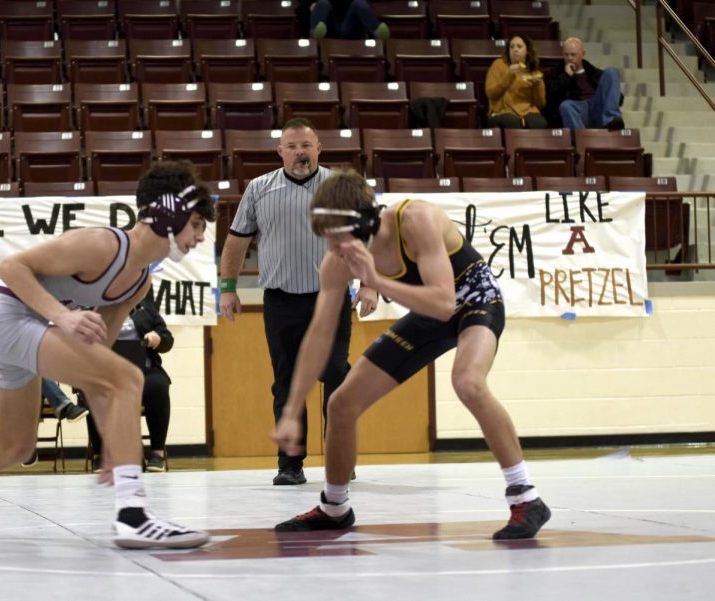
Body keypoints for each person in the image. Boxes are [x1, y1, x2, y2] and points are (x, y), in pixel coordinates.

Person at [0, 161, 216, 549]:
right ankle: (133, 515)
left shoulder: (138, 282)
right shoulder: (102, 244)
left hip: (20, 331)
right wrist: (61, 316)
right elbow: (12, 266)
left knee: (15, 447)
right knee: (131, 377)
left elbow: (95, 364)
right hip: (7, 318)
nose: (200, 237)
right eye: (197, 223)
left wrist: (114, 442)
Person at [271, 170, 551, 540]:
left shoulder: (415, 219)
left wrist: (377, 279)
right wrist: (291, 410)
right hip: (428, 310)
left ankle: (526, 497)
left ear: (367, 223)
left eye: (339, 239)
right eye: (327, 240)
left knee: (468, 381)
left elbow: (443, 302)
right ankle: (334, 507)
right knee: (341, 404)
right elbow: (318, 337)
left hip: (474, 299)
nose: (334, 250)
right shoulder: (335, 263)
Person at [219, 117, 377, 486]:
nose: (300, 152)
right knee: (287, 383)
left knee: (337, 376)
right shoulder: (258, 189)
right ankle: (290, 465)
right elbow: (236, 241)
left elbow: (368, 236)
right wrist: (227, 287)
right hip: (281, 302)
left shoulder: (340, 188)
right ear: (280, 152)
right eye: (292, 146)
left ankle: (341, 458)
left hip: (332, 299)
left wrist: (369, 285)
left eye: (307, 145)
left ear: (319, 149)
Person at [86, 290, 175, 473]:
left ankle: (157, 454)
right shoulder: (95, 311)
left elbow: (167, 340)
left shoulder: (146, 311)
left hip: (143, 372)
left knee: (158, 386)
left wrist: (158, 339)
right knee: (94, 389)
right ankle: (100, 455)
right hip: (107, 373)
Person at [544, 36, 625, 131]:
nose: (569, 58)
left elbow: (619, 99)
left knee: (611, 71)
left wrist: (609, 95)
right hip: (577, 110)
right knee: (566, 105)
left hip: (597, 107)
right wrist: (566, 77)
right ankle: (582, 138)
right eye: (566, 55)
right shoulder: (555, 74)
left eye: (573, 55)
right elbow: (550, 99)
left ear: (583, 54)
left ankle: (611, 120)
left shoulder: (595, 73)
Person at [485, 34, 548, 129]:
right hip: (503, 111)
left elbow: (540, 104)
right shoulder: (498, 65)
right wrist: (509, 76)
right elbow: (491, 93)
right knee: (512, 122)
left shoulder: (535, 73)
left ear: (527, 50)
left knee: (539, 123)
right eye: (512, 47)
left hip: (528, 112)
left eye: (519, 46)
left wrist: (537, 87)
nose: (515, 49)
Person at [308, 0, 390, 41]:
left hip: (350, 27)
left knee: (359, 2)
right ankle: (315, 34)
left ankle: (377, 31)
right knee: (322, 3)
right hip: (328, 28)